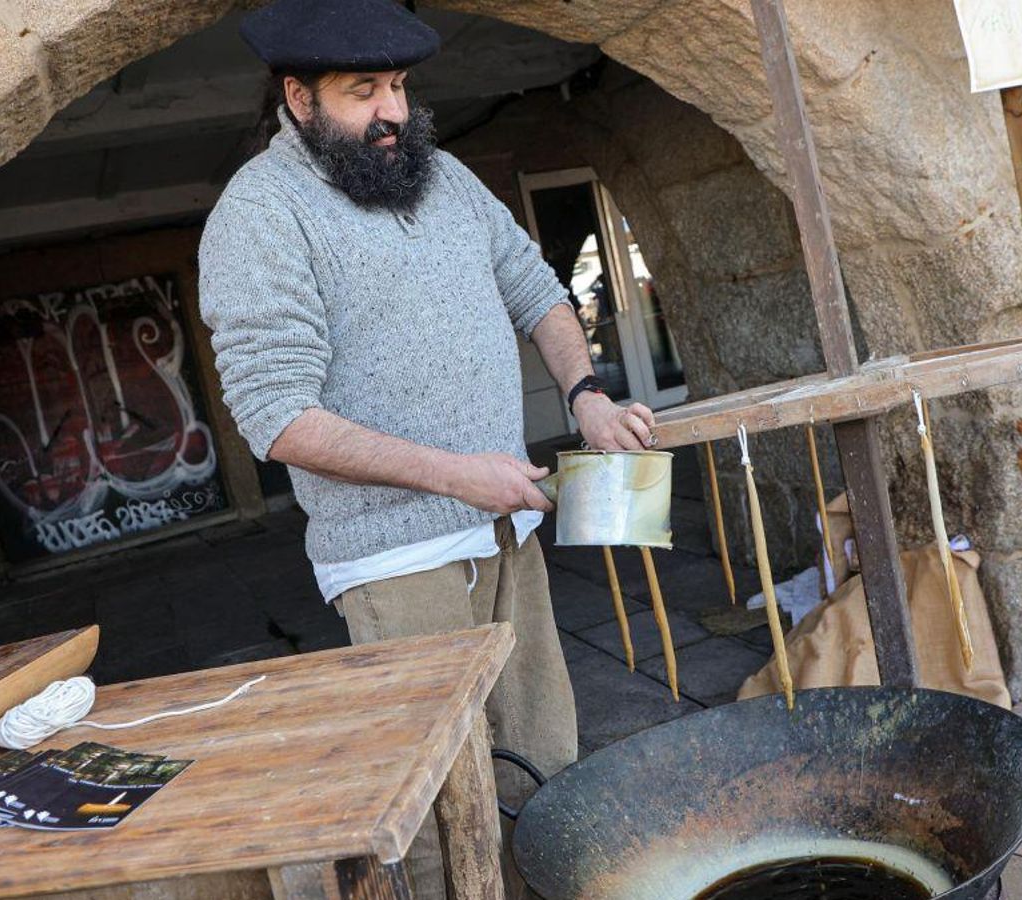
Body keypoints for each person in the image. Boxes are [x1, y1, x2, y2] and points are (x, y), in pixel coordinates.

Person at [196, 0, 655, 895]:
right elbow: (277, 417)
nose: (393, 112)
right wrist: (459, 476)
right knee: (444, 803)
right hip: (394, 559)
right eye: (362, 91)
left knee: (546, 762)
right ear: (297, 97)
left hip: (503, 532)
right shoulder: (258, 214)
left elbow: (534, 286)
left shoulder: (439, 174)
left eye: (399, 86)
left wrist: (587, 395)